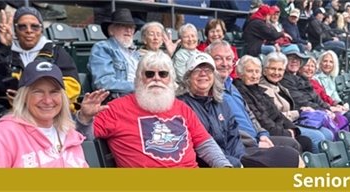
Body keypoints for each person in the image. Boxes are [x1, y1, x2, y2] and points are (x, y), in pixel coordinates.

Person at [76, 51, 233, 168]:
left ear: (170, 79)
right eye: (149, 74)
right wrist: (84, 118)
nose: (156, 78)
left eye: (163, 74)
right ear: (139, 78)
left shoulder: (182, 108)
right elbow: (82, 137)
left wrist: (225, 166)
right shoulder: (116, 108)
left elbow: (205, 144)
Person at [177, 53, 303, 167]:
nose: (203, 74)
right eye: (197, 70)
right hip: (215, 162)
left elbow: (234, 137)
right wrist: (235, 163)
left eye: (208, 70)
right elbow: (201, 148)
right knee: (288, 157)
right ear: (188, 76)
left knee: (290, 153)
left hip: (239, 155)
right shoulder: (182, 105)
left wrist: (240, 159)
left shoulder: (220, 102)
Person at [0, 60, 88, 168]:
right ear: (24, 97)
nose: (47, 100)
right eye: (38, 92)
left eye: (54, 92)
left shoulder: (70, 134)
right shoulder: (3, 135)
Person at [206, 40, 308, 153]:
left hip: (259, 137)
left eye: (229, 59)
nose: (225, 63)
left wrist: (262, 134)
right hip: (241, 145)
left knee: (299, 142)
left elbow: (251, 116)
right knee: (293, 148)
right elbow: (228, 128)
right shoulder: (210, 90)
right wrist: (256, 141)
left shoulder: (232, 87)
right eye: (218, 58)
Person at [0, 6, 80, 110]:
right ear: (15, 30)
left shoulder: (56, 52)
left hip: (52, 112)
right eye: (22, 27)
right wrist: (4, 47)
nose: (29, 31)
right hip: (14, 112)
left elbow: (72, 86)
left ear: (41, 29)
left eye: (34, 26)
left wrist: (30, 97)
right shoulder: (1, 52)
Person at [232, 54, 315, 153]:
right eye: (250, 71)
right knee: (304, 141)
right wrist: (286, 133)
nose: (254, 75)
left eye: (257, 71)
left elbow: (276, 113)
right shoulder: (241, 91)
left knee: (305, 140)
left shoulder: (258, 89)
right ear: (240, 73)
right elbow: (262, 120)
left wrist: (292, 129)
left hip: (279, 129)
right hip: (266, 135)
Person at [88, 9, 140, 100]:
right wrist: (138, 87)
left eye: (132, 27)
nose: (129, 30)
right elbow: (103, 82)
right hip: (117, 101)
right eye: (123, 26)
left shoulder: (136, 53)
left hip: (141, 97)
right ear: (111, 30)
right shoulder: (102, 48)